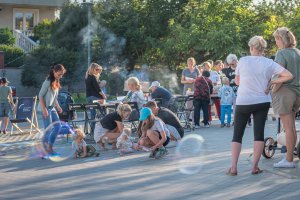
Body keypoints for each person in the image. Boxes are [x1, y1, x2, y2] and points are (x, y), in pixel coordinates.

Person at [227, 36, 293, 176]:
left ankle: (233, 168)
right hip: (262, 101)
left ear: (251, 47)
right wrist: (271, 83)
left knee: (237, 135)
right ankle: (254, 167)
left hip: (243, 101)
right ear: (263, 49)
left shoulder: (243, 61)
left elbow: (237, 82)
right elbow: (288, 75)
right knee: (258, 134)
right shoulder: (269, 63)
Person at [272, 27, 300, 168]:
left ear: (281, 39)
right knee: (292, 128)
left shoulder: (281, 53)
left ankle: (288, 160)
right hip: (297, 93)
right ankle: (290, 157)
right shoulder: (298, 52)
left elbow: (278, 76)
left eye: (276, 39)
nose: (276, 42)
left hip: (285, 92)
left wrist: (272, 89)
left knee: (287, 127)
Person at [39, 64, 66, 156]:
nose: (61, 76)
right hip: (46, 108)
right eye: (59, 74)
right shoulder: (47, 81)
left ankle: (49, 147)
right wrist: (44, 109)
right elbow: (40, 96)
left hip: (52, 108)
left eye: (62, 74)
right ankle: (45, 150)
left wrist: (58, 106)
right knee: (48, 130)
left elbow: (54, 97)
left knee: (58, 127)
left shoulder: (56, 81)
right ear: (54, 71)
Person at [85, 63, 107, 134]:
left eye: (99, 70)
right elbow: (97, 89)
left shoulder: (87, 77)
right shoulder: (93, 77)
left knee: (93, 115)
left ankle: (92, 132)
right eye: (97, 69)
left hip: (89, 97)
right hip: (96, 97)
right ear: (92, 69)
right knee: (103, 113)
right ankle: (105, 130)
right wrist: (103, 95)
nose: (98, 71)